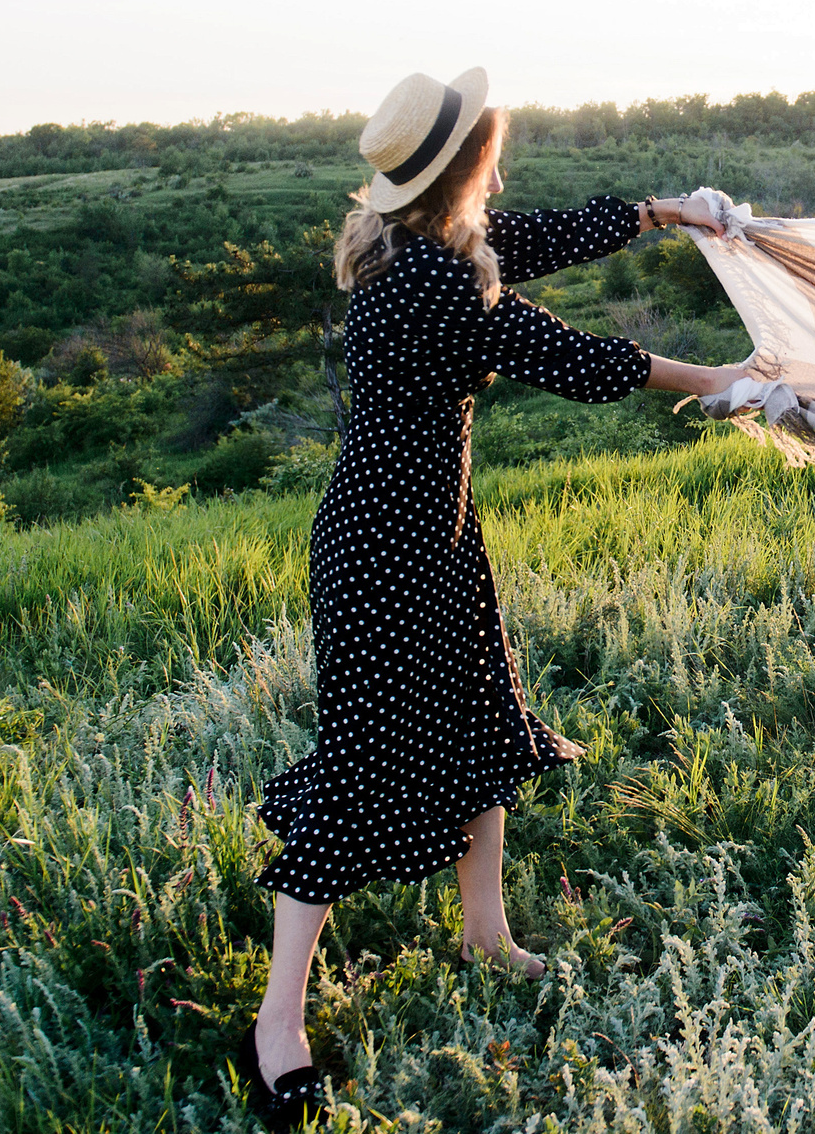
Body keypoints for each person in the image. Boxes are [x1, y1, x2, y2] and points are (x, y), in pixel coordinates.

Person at [237, 67, 751, 1130]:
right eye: (492, 157)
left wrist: (662, 212)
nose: (502, 172)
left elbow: (538, 235)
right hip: (386, 550)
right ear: (462, 171)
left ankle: (484, 928)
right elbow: (568, 355)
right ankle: (276, 1019)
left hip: (429, 530)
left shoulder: (424, 246)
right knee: (365, 763)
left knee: (479, 718)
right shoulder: (431, 279)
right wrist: (724, 379)